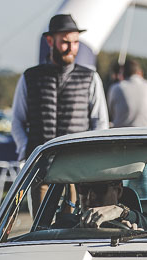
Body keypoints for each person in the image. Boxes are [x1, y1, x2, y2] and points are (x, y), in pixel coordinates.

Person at [11, 14, 109, 161]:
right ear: (50, 41)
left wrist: (91, 155)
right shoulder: (30, 77)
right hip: (39, 168)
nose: (71, 48)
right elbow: (17, 120)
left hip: (76, 166)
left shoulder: (90, 77)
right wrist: (26, 149)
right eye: (65, 42)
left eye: (76, 42)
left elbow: (100, 121)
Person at [107, 59, 147, 128]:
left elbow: (110, 112)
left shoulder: (116, 88)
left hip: (121, 133)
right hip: (146, 133)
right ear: (140, 72)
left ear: (122, 73)